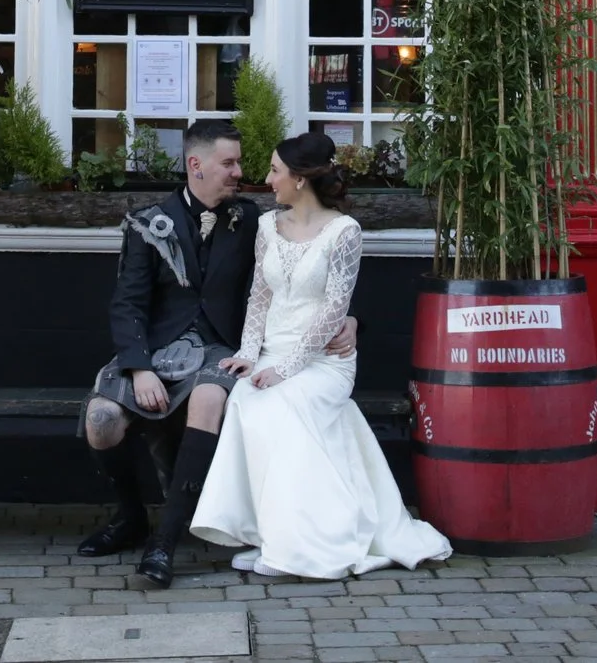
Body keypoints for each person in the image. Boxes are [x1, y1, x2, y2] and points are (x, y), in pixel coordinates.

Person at [76, 119, 356, 588]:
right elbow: (127, 304)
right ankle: (129, 519)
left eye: (241, 162)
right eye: (229, 163)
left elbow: (309, 272)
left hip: (222, 347)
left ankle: (164, 543)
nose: (239, 172)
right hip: (157, 350)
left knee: (209, 400)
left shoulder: (252, 221)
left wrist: (350, 320)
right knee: (101, 421)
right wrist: (139, 367)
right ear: (195, 165)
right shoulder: (149, 223)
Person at [191, 130, 452, 580]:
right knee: (245, 401)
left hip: (323, 363)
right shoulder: (269, 226)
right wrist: (251, 355)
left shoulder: (344, 232)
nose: (267, 179)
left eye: (275, 171)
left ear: (299, 178)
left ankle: (307, 544)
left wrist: (285, 369)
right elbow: (259, 297)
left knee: (284, 405)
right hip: (272, 352)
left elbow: (334, 310)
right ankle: (270, 536)